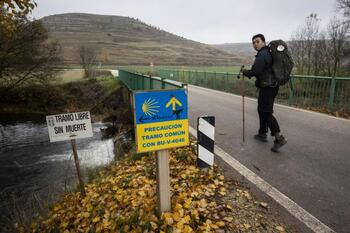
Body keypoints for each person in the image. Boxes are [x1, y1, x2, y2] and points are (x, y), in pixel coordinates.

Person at [242, 34, 287, 152]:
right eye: (253, 42)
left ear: (263, 42)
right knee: (262, 109)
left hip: (268, 87)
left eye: (257, 41)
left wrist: (245, 72)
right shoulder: (267, 53)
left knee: (266, 112)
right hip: (270, 86)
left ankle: (278, 138)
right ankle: (262, 133)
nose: (255, 44)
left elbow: (255, 71)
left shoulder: (263, 54)